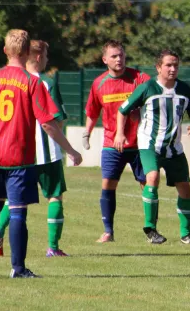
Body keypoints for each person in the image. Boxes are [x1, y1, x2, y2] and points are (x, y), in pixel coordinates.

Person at [0, 29, 82, 278]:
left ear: (5, 51)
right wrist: (70, 150)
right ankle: (18, 268)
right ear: (27, 53)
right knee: (17, 211)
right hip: (19, 157)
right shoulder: (31, 82)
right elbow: (47, 123)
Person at [0, 40, 72, 258]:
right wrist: (68, 148)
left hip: (19, 151)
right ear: (38, 57)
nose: (47, 59)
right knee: (55, 196)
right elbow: (56, 120)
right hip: (47, 153)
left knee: (13, 199)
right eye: (46, 55)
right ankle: (53, 247)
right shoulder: (46, 83)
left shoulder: (11, 81)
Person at [115, 49, 190, 245]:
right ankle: (150, 229)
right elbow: (123, 110)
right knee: (152, 177)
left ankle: (186, 234)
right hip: (149, 144)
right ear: (158, 67)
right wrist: (120, 133)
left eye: (176, 65)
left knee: (185, 189)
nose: (173, 69)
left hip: (174, 148)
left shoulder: (184, 90)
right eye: (168, 65)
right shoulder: (147, 88)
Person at [83, 40, 151, 243]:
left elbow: (157, 94)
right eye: (114, 56)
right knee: (108, 184)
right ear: (105, 60)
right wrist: (86, 134)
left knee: (147, 184)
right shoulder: (99, 83)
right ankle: (108, 231)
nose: (119, 59)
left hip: (140, 143)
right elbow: (92, 112)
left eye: (121, 55)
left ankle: (151, 230)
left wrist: (144, 109)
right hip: (112, 144)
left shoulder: (139, 78)